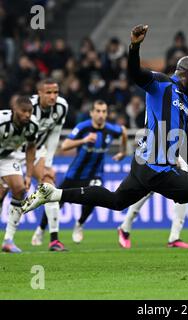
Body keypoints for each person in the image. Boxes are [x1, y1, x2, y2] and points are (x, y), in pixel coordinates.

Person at [21, 24, 188, 266]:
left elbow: (182, 143)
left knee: (116, 201)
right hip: (156, 168)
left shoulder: (187, 102)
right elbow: (135, 72)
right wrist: (135, 46)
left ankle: (53, 194)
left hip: (145, 164)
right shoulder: (161, 83)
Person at [118, 82, 188, 249]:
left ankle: (174, 237)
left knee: (185, 192)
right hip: (170, 148)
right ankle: (125, 227)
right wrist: (174, 155)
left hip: (185, 152)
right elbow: (175, 126)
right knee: (149, 189)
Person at [31, 100, 127, 245]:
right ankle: (41, 229)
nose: (101, 115)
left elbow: (124, 131)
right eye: (98, 111)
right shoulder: (83, 127)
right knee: (55, 200)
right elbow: (64, 145)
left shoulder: (110, 129)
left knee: (96, 197)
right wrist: (84, 140)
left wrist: (123, 152)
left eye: (104, 111)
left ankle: (79, 224)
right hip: (75, 175)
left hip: (95, 174)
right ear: (92, 113)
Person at [16, 79, 69, 251]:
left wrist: (49, 162)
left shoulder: (61, 107)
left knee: (48, 185)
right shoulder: (28, 108)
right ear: (39, 93)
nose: (53, 96)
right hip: (15, 151)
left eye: (56, 92)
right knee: (4, 191)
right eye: (48, 92)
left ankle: (54, 240)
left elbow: (55, 135)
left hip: (37, 152)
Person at [0, 96, 38, 253]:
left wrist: (28, 175)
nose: (27, 115)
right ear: (14, 110)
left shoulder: (32, 126)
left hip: (8, 158)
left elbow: (30, 148)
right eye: (24, 111)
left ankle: (8, 240)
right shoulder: (1, 121)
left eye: (30, 111)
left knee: (20, 189)